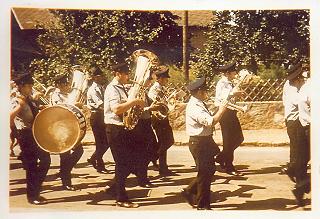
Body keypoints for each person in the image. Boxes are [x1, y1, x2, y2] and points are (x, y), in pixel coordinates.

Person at [182, 76, 227, 210]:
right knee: (205, 174)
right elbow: (211, 121)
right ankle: (202, 204)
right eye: (205, 91)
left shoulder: (199, 103)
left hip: (205, 141)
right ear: (200, 92)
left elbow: (208, 118)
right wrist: (223, 109)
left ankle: (189, 191)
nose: (207, 93)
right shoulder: (195, 106)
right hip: (199, 142)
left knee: (209, 170)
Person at [104, 62, 145, 208]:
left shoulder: (121, 87)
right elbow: (116, 109)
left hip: (122, 129)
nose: (128, 76)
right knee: (122, 164)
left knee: (130, 162)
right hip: (115, 129)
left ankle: (114, 188)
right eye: (126, 73)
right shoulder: (112, 88)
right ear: (117, 74)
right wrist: (134, 102)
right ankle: (121, 198)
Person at [10, 73, 51, 205]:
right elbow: (8, 116)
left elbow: (34, 113)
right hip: (25, 135)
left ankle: (35, 190)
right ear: (21, 86)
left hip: (35, 132)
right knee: (32, 166)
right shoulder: (15, 99)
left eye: (31, 85)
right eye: (28, 86)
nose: (31, 88)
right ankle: (32, 196)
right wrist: (20, 106)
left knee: (46, 160)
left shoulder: (29, 98)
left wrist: (40, 108)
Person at [50, 73, 84, 191]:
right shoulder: (55, 96)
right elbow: (60, 109)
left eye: (67, 82)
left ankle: (64, 171)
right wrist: (74, 105)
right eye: (64, 83)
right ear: (58, 85)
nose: (67, 85)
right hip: (60, 128)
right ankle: (66, 182)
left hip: (71, 126)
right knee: (65, 155)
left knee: (79, 151)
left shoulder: (69, 94)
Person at [214, 62, 244, 175]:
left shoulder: (229, 82)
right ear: (227, 73)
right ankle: (229, 166)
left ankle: (221, 157)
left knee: (239, 138)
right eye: (233, 71)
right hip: (224, 113)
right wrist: (233, 93)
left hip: (231, 112)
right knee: (228, 140)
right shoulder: (221, 83)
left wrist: (236, 94)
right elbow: (222, 99)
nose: (235, 73)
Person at [288, 64, 310, 206]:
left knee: (303, 161)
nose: (292, 85)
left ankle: (301, 188)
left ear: (299, 79)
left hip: (309, 127)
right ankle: (301, 188)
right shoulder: (301, 89)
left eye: (293, 82)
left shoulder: (309, 89)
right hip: (305, 127)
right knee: (302, 161)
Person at [148, 65, 175, 176]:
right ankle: (161, 165)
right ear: (159, 79)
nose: (166, 81)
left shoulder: (161, 88)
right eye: (165, 79)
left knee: (169, 141)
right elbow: (155, 102)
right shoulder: (154, 89)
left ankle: (156, 158)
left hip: (163, 117)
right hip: (158, 118)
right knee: (165, 142)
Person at [281, 63, 306, 183]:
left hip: (292, 118)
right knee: (297, 146)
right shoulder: (292, 86)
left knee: (296, 145)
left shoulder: (288, 83)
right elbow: (298, 101)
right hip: (294, 119)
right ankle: (294, 170)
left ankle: (294, 168)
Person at [86, 66, 109, 174]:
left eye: (101, 76)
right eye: (99, 76)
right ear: (94, 78)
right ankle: (99, 164)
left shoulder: (102, 87)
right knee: (101, 143)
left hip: (102, 115)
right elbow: (101, 105)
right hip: (97, 116)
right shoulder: (93, 89)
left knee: (105, 143)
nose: (101, 78)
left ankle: (93, 159)